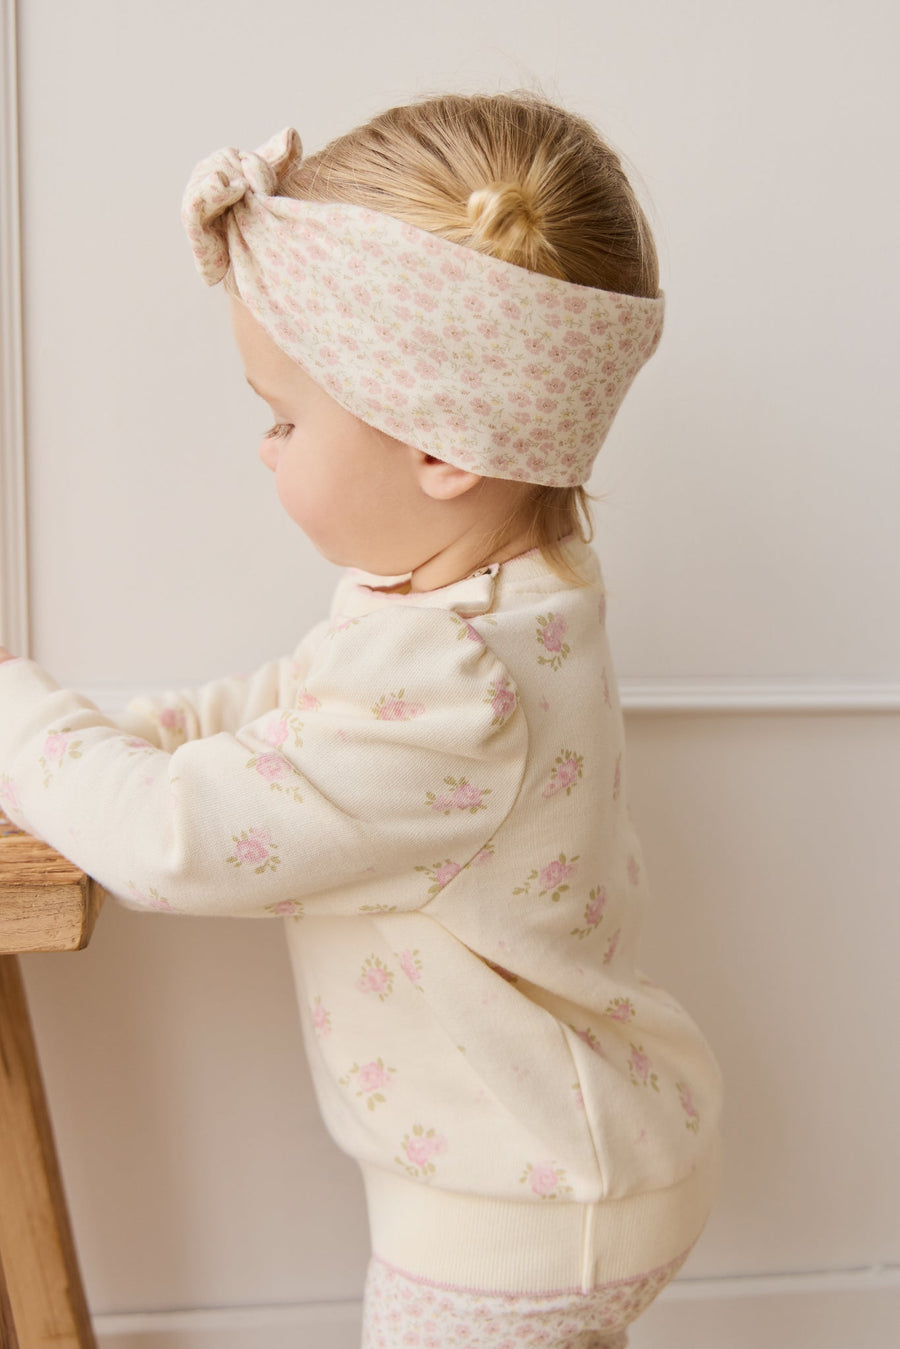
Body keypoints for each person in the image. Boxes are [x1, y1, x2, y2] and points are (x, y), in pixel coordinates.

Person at [0, 91, 724, 1348]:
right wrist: (114, 727)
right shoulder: (486, 602)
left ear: (443, 448)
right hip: (563, 1170)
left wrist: (17, 717)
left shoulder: (454, 686)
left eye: (284, 417)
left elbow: (183, 841)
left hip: (517, 1213)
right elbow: (281, 709)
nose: (264, 449)